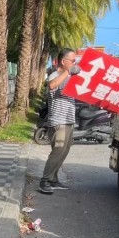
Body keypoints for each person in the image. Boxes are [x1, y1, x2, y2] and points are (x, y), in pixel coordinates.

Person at [38, 48, 78, 195]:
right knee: (57, 151)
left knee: (64, 151)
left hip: (68, 119)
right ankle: (44, 181)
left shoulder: (69, 77)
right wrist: (68, 72)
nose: (75, 63)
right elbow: (52, 85)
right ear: (63, 61)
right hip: (58, 121)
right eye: (72, 61)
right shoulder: (55, 75)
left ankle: (53, 179)